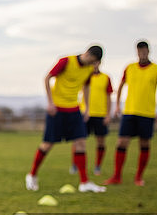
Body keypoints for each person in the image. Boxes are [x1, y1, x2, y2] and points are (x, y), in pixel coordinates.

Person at [25, 46, 107, 193]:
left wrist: (87, 108)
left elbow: (86, 87)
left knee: (81, 142)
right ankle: (32, 175)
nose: (91, 65)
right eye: (92, 61)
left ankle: (84, 182)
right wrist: (50, 103)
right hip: (57, 109)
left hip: (74, 109)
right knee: (48, 144)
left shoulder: (89, 69)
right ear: (87, 54)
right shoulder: (66, 61)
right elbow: (47, 78)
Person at [105, 41, 157, 186]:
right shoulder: (130, 67)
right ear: (137, 52)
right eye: (139, 51)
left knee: (144, 143)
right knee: (121, 142)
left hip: (147, 113)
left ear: (148, 51)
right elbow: (121, 86)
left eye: (144, 51)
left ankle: (139, 177)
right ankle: (117, 176)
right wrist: (117, 106)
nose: (142, 54)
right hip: (129, 111)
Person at [69, 67, 113, 176]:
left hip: (100, 114)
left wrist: (108, 114)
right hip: (84, 114)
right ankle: (75, 165)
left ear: (99, 62)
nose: (94, 64)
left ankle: (97, 166)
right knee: (78, 140)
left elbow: (108, 97)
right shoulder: (83, 75)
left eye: (96, 61)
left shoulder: (105, 78)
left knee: (101, 141)